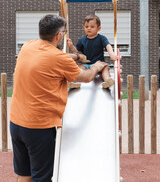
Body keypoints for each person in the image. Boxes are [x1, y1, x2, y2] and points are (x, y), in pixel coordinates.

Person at [10, 14, 107, 182]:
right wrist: (98, 65)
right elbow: (86, 77)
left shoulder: (28, 46)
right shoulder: (59, 59)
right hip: (39, 128)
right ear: (58, 36)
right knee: (42, 178)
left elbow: (52, 58)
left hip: (16, 123)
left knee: (24, 175)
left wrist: (77, 56)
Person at [67, 14, 117, 89]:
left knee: (105, 67)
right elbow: (77, 52)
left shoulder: (101, 38)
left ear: (98, 28)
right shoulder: (82, 40)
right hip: (85, 64)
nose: (89, 28)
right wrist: (71, 46)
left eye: (92, 27)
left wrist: (112, 54)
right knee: (78, 68)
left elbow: (108, 46)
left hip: (98, 63)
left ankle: (107, 80)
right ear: (84, 27)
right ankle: (73, 82)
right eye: (86, 27)